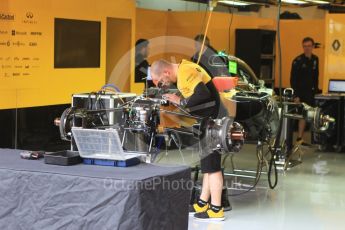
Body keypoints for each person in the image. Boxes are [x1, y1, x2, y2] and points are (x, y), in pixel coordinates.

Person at [150, 59, 225, 221]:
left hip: (213, 122)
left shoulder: (185, 71)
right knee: (207, 165)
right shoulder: (184, 70)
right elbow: (197, 95)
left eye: (162, 82)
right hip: (206, 120)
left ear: (166, 72)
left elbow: (203, 94)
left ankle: (217, 209)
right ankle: (202, 202)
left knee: (213, 166)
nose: (164, 85)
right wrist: (178, 98)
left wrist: (180, 101)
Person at [290, 37, 319, 144]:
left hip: (311, 92)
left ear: (312, 46)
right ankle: (299, 138)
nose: (307, 48)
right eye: (305, 46)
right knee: (302, 115)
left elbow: (316, 77)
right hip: (300, 93)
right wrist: (295, 95)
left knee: (311, 115)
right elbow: (293, 80)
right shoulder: (297, 61)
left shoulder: (315, 59)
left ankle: (314, 139)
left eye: (309, 46)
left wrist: (316, 92)